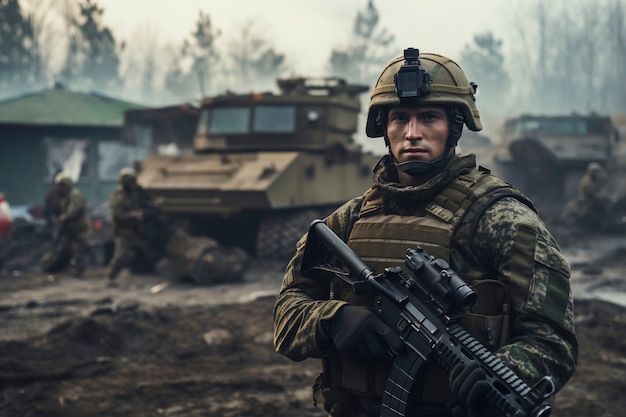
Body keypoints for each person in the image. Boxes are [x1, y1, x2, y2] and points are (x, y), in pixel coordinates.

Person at [273, 48, 578, 417]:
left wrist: (504, 372)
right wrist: (333, 320)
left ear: (455, 127)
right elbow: (287, 314)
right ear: (384, 129)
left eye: (429, 117)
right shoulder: (348, 221)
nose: (412, 134)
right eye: (400, 118)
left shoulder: (501, 220)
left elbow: (553, 342)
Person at [105, 167, 162, 285]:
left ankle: (156, 272)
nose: (134, 185)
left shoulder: (134, 192)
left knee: (148, 251)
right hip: (123, 231)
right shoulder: (118, 198)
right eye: (131, 183)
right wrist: (133, 215)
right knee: (121, 255)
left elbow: (145, 198)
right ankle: (110, 277)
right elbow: (119, 215)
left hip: (136, 230)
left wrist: (152, 204)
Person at [53, 174, 91, 277]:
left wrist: (62, 218)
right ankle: (74, 270)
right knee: (71, 250)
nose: (59, 189)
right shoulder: (65, 197)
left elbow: (73, 211)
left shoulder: (75, 195)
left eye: (61, 186)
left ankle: (79, 272)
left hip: (80, 229)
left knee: (79, 251)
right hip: (72, 229)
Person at [576, 162, 609, 228]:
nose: (597, 174)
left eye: (597, 172)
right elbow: (592, 194)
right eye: (595, 172)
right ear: (591, 172)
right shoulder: (587, 181)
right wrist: (602, 198)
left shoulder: (592, 180)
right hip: (586, 201)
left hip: (590, 199)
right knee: (604, 206)